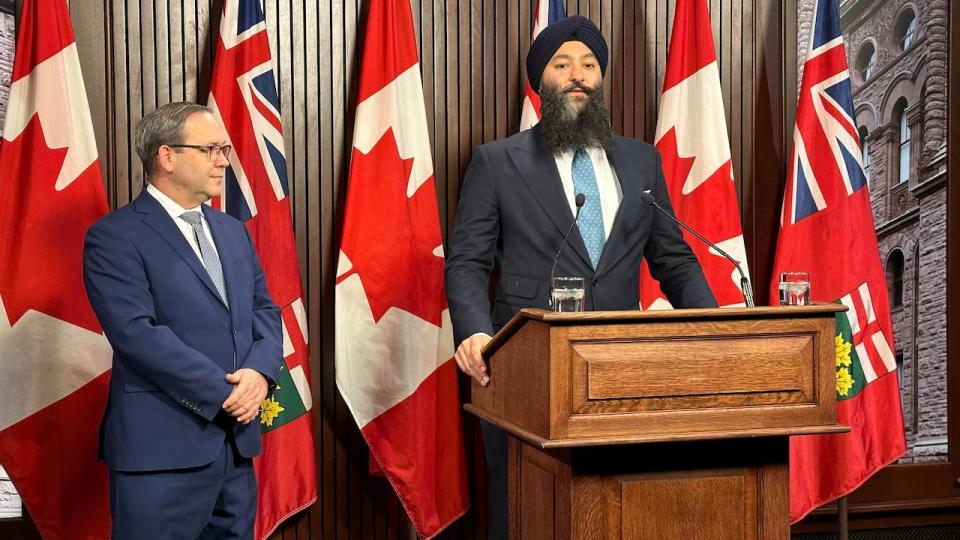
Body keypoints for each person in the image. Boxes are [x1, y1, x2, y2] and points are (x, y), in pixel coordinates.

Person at [443, 16, 717, 538]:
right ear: (540, 81)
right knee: (527, 515)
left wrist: (715, 332)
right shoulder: (497, 162)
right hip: (524, 373)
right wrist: (475, 332)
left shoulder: (641, 162)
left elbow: (674, 261)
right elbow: (467, 262)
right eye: (562, 64)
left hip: (621, 371)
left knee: (615, 513)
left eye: (589, 65)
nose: (578, 75)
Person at [83, 102, 282, 539]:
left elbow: (266, 311)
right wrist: (227, 393)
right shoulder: (114, 236)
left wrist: (260, 375)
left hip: (236, 449)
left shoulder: (233, 231)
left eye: (224, 148)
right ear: (166, 157)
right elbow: (136, 334)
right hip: (160, 455)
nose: (223, 160)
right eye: (210, 149)